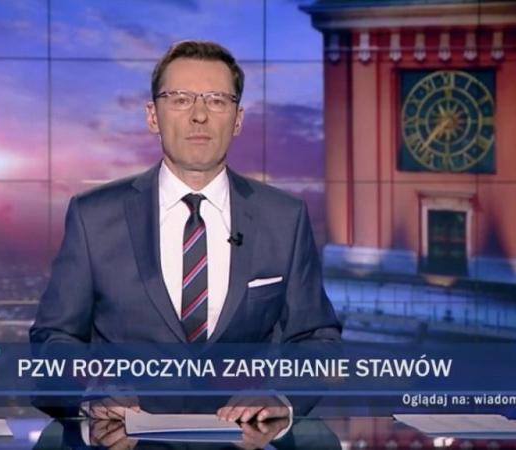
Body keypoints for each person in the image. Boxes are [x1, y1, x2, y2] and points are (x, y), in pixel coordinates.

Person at [29, 40, 341, 424]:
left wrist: (280, 396)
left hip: (243, 439)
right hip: (124, 439)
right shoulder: (93, 216)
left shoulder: (284, 217)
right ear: (152, 116)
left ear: (238, 119)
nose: (199, 115)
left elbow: (317, 340)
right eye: (180, 99)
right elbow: (53, 340)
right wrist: (92, 393)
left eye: (217, 100)